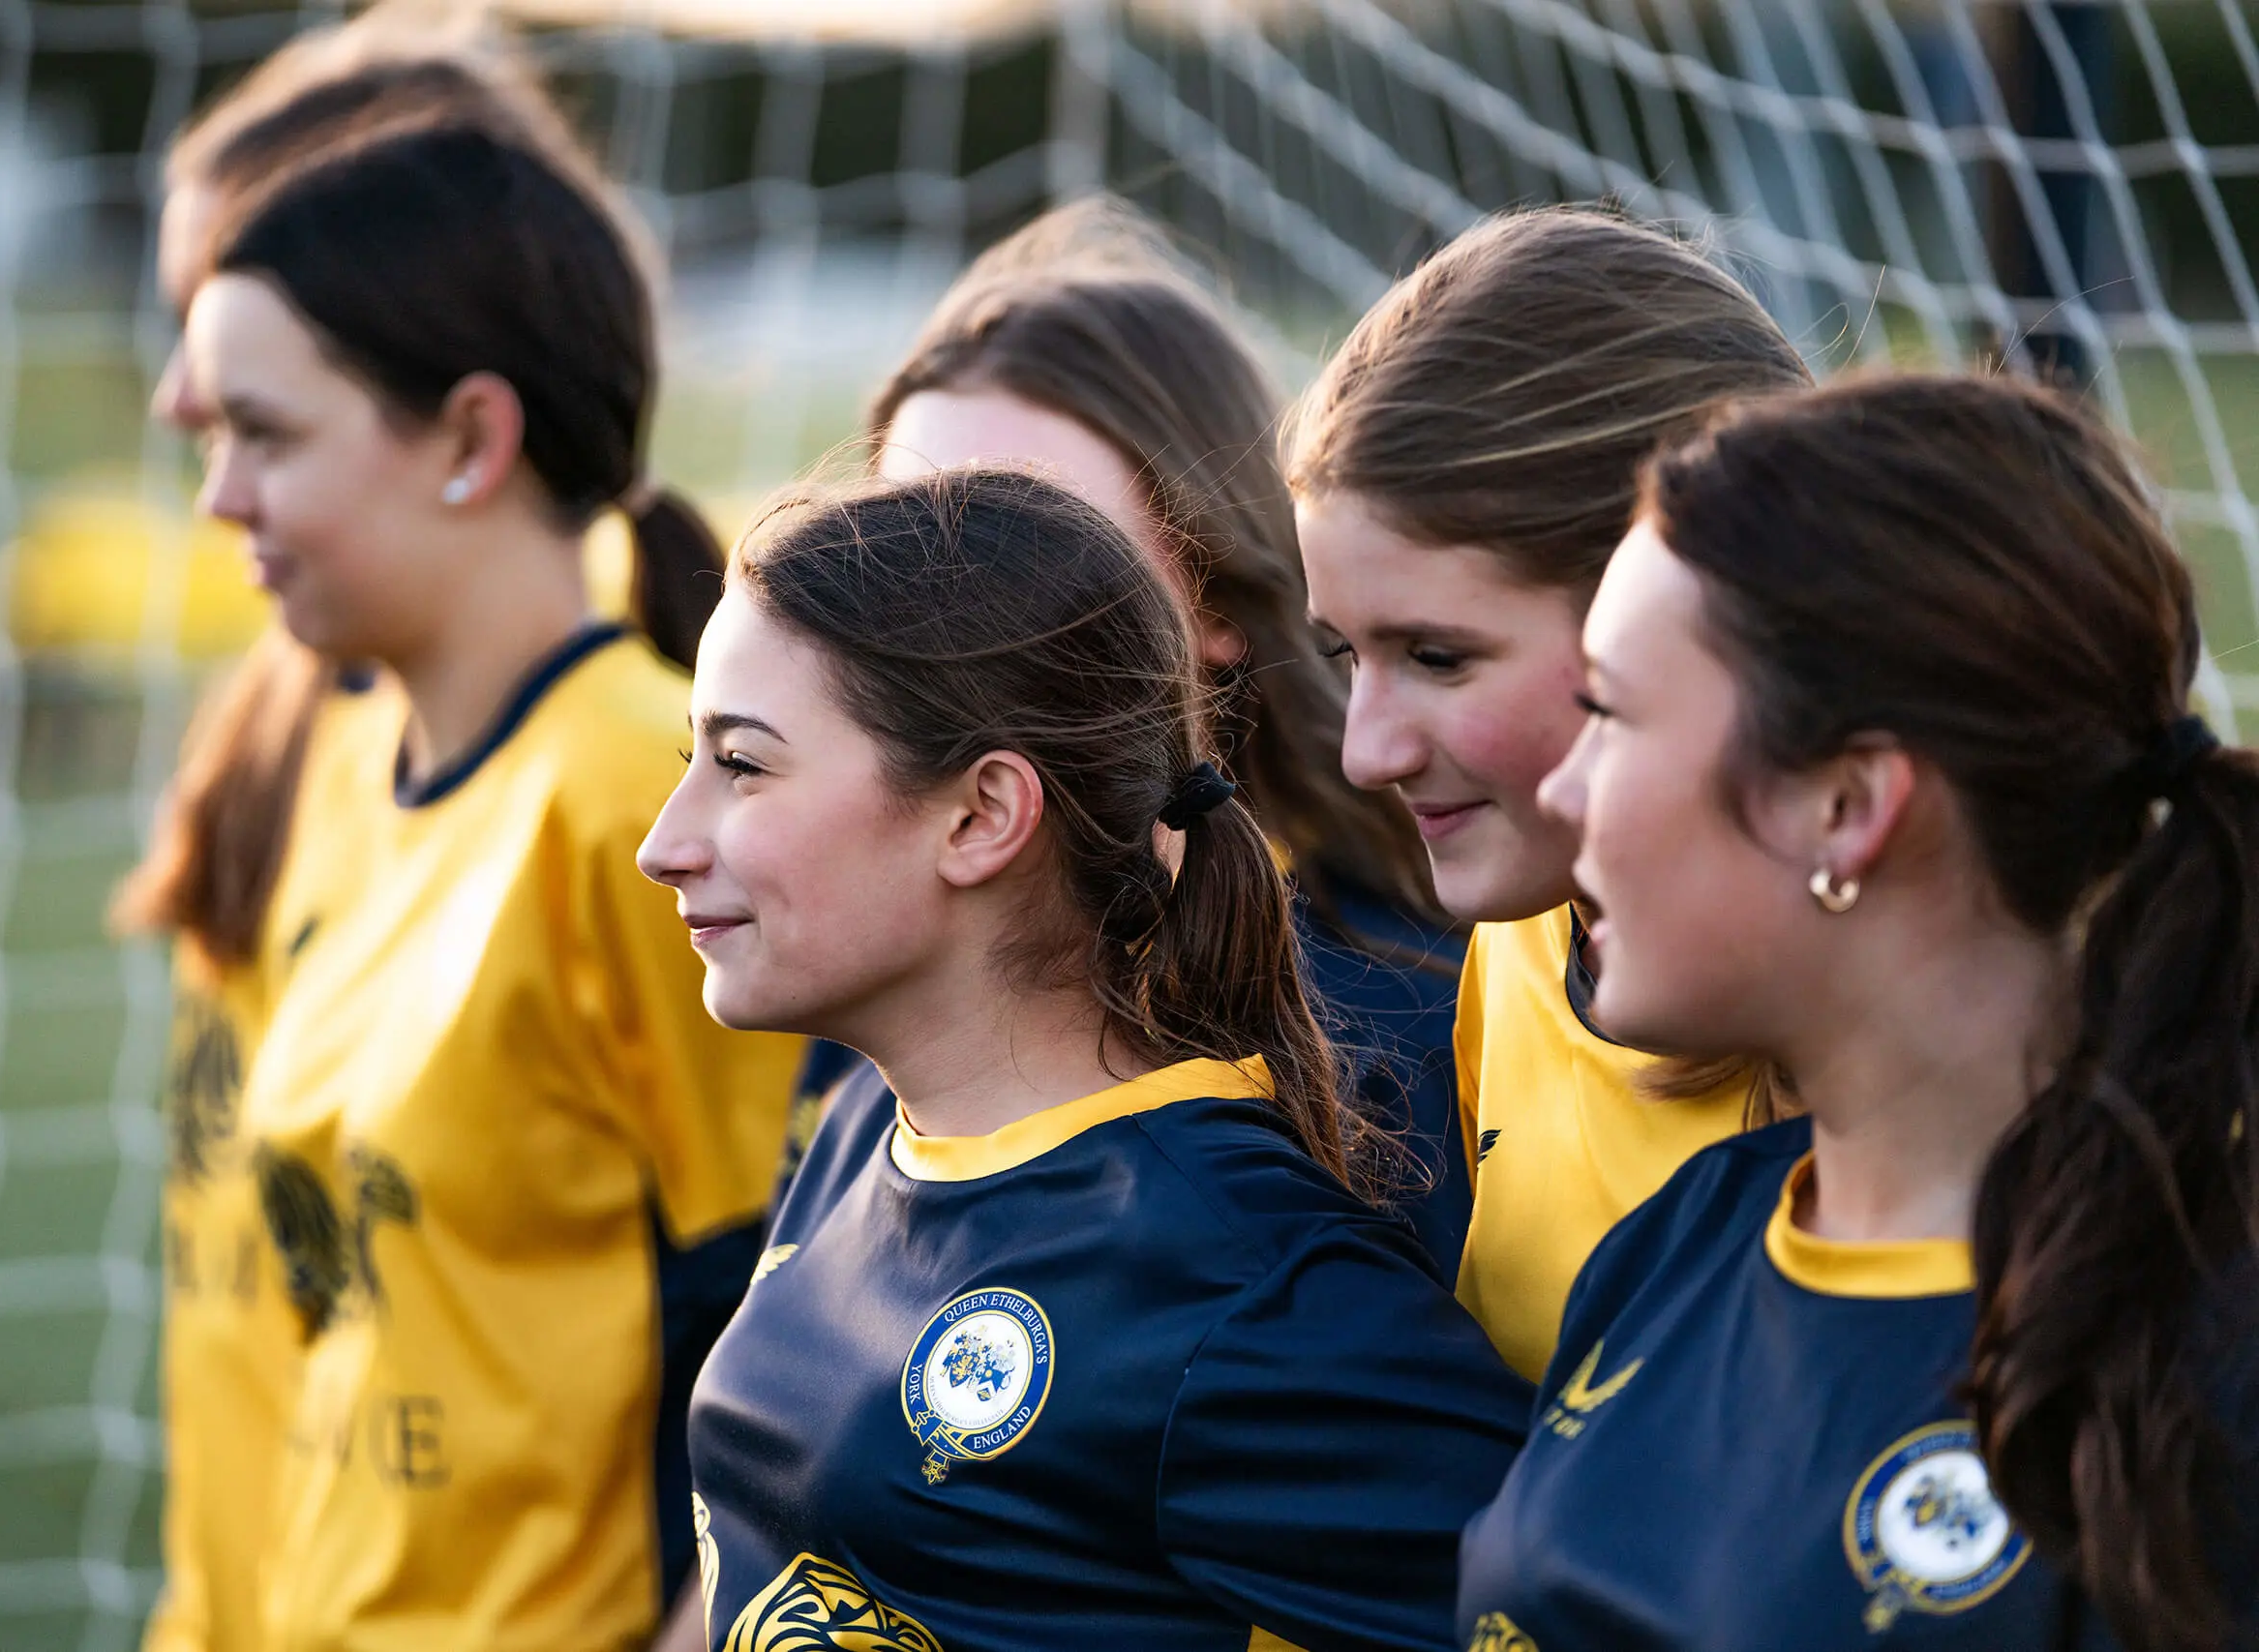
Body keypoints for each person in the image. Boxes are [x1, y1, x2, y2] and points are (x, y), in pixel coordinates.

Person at [641, 467, 1530, 1652]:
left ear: (981, 815)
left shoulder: (1247, 1287)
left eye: (742, 765)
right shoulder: (869, 1124)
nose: (666, 843)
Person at [1459, 375, 2259, 1650]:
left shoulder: (2204, 1360)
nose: (1563, 786)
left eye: (1608, 710)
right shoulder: (1685, 1235)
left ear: (1847, 804)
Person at [120, 20, 734, 1651]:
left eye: (264, 430)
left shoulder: (646, 799)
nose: (215, 488)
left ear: (470, 438)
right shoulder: (350, 754)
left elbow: (792, 1329)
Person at [864, 198, 1471, 1275]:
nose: (926, 616)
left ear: (1217, 601)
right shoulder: (867, 976)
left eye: (1028, 540)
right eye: (885, 547)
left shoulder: (1410, 1022)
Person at [1286, 206, 1812, 1377]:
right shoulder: (1520, 934)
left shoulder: (1971, 1046)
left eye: (1436, 657)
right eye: (1343, 655)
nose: (1364, 753)